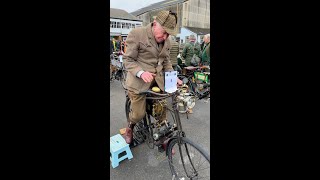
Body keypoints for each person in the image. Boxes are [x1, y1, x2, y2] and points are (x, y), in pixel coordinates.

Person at [123, 10, 182, 144]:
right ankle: (130, 126)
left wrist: (173, 77)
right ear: (155, 24)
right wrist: (141, 73)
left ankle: (163, 138)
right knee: (138, 114)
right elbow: (128, 60)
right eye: (164, 32)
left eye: (169, 34)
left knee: (162, 111)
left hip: (157, 82)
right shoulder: (137, 34)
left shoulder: (168, 41)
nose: (166, 37)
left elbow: (166, 62)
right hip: (138, 83)